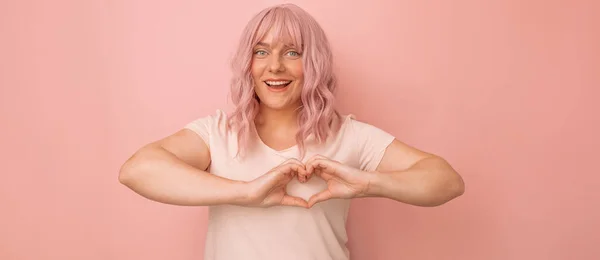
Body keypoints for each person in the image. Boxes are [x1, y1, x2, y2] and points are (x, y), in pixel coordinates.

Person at [118, 3, 465, 260]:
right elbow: (137, 170)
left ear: (314, 63)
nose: (275, 66)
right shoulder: (217, 133)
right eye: (261, 51)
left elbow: (446, 181)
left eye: (292, 52)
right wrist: (246, 193)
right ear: (248, 64)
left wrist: (367, 183)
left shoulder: (349, 135)